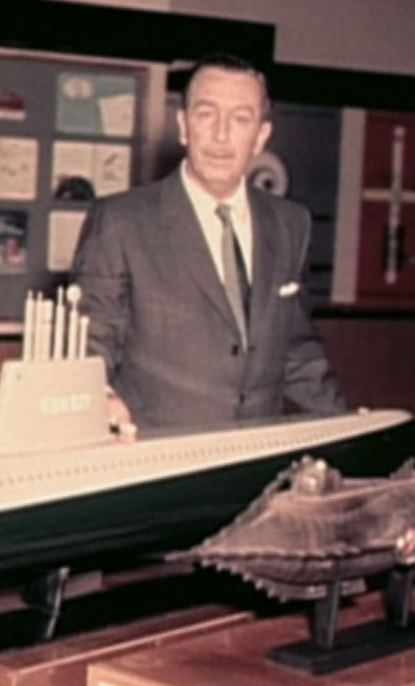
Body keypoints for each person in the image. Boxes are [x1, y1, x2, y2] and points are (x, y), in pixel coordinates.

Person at [70, 52, 345, 432]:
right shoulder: (121, 221)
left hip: (256, 464)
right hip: (156, 462)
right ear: (183, 126)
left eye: (240, 118)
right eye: (206, 114)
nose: (221, 134)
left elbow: (297, 351)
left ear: (261, 136)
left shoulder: (290, 224)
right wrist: (101, 400)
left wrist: (346, 433)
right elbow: (89, 343)